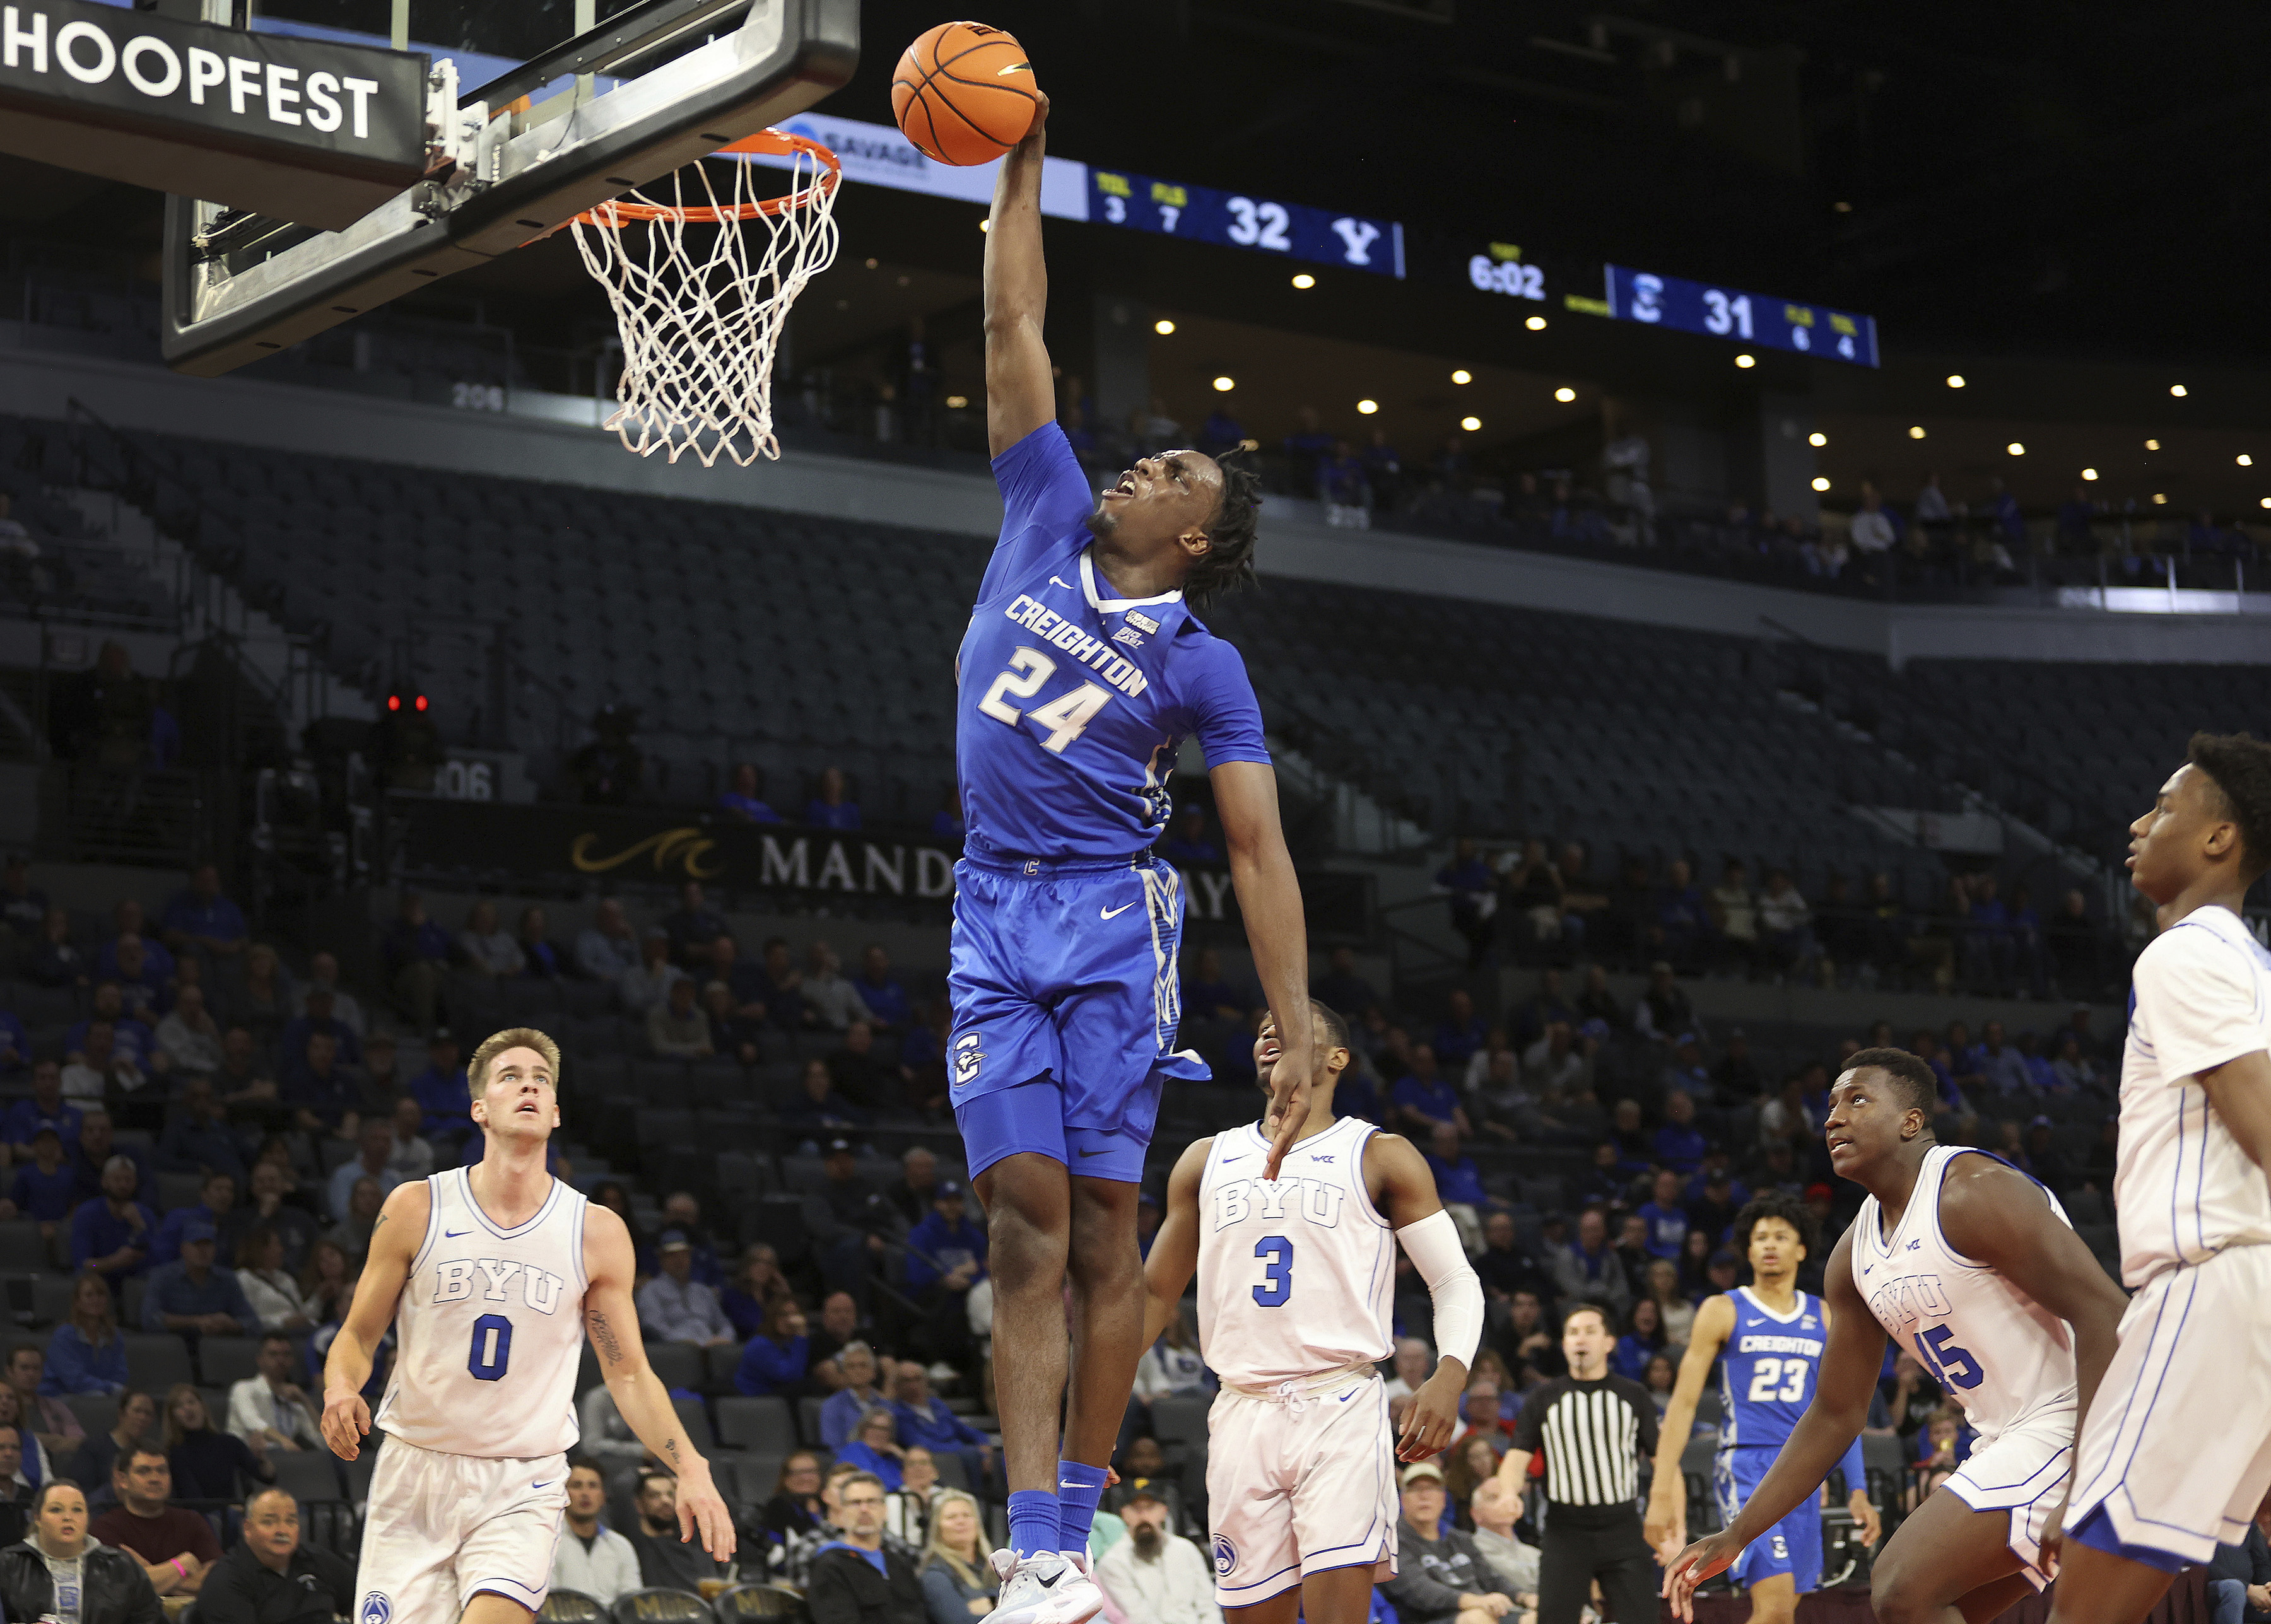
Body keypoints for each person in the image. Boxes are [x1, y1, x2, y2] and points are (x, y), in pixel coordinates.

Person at [961, 90, 1312, 1624]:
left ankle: (1076, 1522)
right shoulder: (1041, 510)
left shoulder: (1204, 663)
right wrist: (1023, 161)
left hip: (1112, 924)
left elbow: (1256, 848)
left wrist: (1294, 1021)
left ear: (1192, 535)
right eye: (1149, 454)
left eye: (1171, 470)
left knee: (1105, 1231)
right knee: (1019, 1218)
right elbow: (1012, 314)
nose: (1140, 464)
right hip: (988, 907)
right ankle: (1033, 1538)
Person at [1664, 1048, 2128, 1624]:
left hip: (2083, 1417)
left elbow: (2108, 1315)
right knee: (1927, 1607)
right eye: (1831, 1103)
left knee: (1900, 1587)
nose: (1833, 1116)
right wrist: (1738, 1532)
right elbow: (1836, 1413)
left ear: (1912, 1121)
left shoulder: (1972, 1191)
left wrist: (2091, 1472)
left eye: (1857, 1099)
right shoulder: (1851, 1257)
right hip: (2005, 1438)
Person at [319, 1026, 734, 1621]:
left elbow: (629, 1373)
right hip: (416, 1469)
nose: (529, 1085)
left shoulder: (596, 1233)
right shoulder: (416, 1207)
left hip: (523, 1479)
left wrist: (690, 1465)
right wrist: (340, 1388)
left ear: (557, 1112)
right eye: (510, 1076)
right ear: (479, 1108)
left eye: (541, 1079)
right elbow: (358, 1335)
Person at [1141, 1000, 1479, 1623]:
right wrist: (1100, 1412)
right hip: (1242, 1406)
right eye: (1263, 1028)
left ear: (1336, 1058)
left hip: (1339, 1404)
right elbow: (1154, 1297)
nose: (1271, 1033)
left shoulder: (1380, 1153)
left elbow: (1455, 1278)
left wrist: (1450, 1374)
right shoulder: (1205, 1158)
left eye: (1292, 1028)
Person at [2051, 734, 2271, 1622]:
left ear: (2220, 838)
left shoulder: (2185, 953)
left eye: (2165, 806)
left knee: (2085, 1610)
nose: (2140, 823)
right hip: (2250, 1291)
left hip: (2209, 1290)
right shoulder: (2254, 967)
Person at [1644, 1192, 1879, 1624]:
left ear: (1801, 1248)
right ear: (1748, 1250)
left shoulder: (1824, 1316)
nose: (1770, 1244)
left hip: (1803, 1472)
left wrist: (1858, 1488)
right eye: (1760, 1237)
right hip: (1746, 1465)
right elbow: (1684, 1402)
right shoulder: (1722, 1309)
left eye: (1781, 1236)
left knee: (1782, 1610)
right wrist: (1662, 1489)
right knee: (1772, 1607)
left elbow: (1843, 1410)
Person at [1489, 1306, 1657, 1624]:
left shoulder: (1633, 1396)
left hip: (1622, 1525)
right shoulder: (1543, 1398)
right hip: (1566, 1529)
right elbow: (1516, 1457)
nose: (1581, 1339)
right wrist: (1509, 1493)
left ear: (1609, 1342)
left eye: (1590, 1331)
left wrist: (1670, 1525)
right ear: (1564, 1344)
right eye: (1573, 1333)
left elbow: (1665, 1466)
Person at [0, 1479, 165, 1623]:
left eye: (77, 1510)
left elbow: (151, 1618)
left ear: (87, 1517)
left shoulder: (121, 1566)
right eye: (56, 1510)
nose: (68, 1517)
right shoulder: (8, 1564)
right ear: (38, 1518)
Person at [1380, 1461, 1520, 1624]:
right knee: (1477, 1619)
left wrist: (1525, 1597)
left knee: (1534, 1618)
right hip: (1433, 1619)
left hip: (1483, 1610)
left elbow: (1492, 1579)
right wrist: (1476, 1601)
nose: (1424, 1496)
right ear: (1403, 1500)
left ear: (1443, 1499)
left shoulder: (1461, 1539)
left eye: (1432, 1489)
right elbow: (1421, 1592)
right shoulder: (1392, 1543)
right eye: (1415, 1489)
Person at [193, 1484, 358, 1624]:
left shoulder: (318, 1560)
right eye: (269, 1521)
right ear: (247, 1529)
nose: (282, 1531)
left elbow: (361, 1603)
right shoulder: (226, 1579)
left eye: (290, 1521)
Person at [90, 1444, 221, 1599]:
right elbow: (119, 1589)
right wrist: (181, 1566)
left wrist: (148, 1574)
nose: (155, 1479)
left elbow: (217, 1582)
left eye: (162, 1471)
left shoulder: (192, 1521)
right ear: (123, 1480)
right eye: (143, 1471)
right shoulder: (105, 1527)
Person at [810, 1469, 927, 1624]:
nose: (864, 1509)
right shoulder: (830, 1566)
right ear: (843, 1513)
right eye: (855, 1503)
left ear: (885, 1511)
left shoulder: (899, 1563)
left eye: (872, 1501)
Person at [1093, 1483, 1215, 1624]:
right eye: (1136, 1509)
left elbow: (1208, 1606)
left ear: (1164, 1511)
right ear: (1124, 1514)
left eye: (1150, 1508)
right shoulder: (1112, 1562)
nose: (1144, 1516)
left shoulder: (1186, 1549)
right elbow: (1139, 1617)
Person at [141, 1218, 259, 1338]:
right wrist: (196, 1321)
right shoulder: (162, 1276)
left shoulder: (227, 1279)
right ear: (183, 1249)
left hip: (215, 1347)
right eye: (196, 1244)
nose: (203, 1250)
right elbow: (150, 1319)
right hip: (173, 1346)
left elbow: (253, 1323)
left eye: (208, 1245)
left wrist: (231, 1324)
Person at [548, 1458, 640, 1606]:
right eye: (577, 1486)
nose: (585, 1493)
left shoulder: (621, 1546)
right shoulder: (548, 1542)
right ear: (563, 1494)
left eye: (593, 1486)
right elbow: (548, 1601)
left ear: (603, 1497)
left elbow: (631, 1604)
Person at [627, 1469, 732, 1594]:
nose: (666, 1501)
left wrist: (685, 1484)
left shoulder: (693, 1543)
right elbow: (622, 1486)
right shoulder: (634, 1542)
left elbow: (719, 1505)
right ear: (639, 1504)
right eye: (655, 1496)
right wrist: (641, 1470)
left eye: (671, 1494)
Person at [163, 1384, 269, 1500]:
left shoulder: (229, 1443)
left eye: (191, 1402)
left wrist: (261, 1458)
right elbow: (194, 1500)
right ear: (173, 1417)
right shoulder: (174, 1453)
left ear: (202, 1406)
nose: (188, 1408)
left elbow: (268, 1477)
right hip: (199, 1515)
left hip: (230, 1513)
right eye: (180, 1406)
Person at [635, 1228, 735, 1346]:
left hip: (710, 1348)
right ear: (662, 1259)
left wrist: (723, 1338)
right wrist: (682, 1341)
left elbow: (724, 1324)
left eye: (684, 1255)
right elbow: (651, 1324)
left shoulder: (702, 1291)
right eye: (673, 1256)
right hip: (676, 1351)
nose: (680, 1260)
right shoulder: (650, 1290)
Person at [226, 1333, 320, 1454]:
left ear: (292, 1361)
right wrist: (284, 1441)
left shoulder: (295, 1400)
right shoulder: (243, 1388)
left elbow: (321, 1443)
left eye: (286, 1355)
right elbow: (251, 1421)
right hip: (245, 1458)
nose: (281, 1360)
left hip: (283, 1461)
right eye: (273, 1354)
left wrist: (307, 1402)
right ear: (260, 1360)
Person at [919, 1488, 999, 1624]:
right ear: (938, 1528)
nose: (961, 1522)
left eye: (967, 1515)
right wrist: (999, 1607)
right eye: (951, 1517)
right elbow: (960, 1621)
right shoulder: (934, 1575)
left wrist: (989, 1606)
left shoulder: (997, 1567)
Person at [44, 1270, 128, 1397]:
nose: (96, 1300)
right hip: (61, 1397)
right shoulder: (64, 1336)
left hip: (102, 1396)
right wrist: (110, 1388)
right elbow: (74, 1380)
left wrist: (111, 1389)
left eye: (100, 1295)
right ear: (77, 1301)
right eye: (89, 1295)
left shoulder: (114, 1334)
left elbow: (120, 1374)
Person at [1466, 1476, 1540, 1603]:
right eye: (1494, 1498)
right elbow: (1525, 1583)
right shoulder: (1473, 1548)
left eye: (1507, 1497)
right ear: (1475, 1514)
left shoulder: (1533, 1552)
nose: (1504, 1503)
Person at [67, 1390, 155, 1494]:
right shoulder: (92, 1448)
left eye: (148, 1413)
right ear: (121, 1414)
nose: (142, 1418)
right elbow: (83, 1491)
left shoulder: (152, 1453)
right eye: (137, 1411)